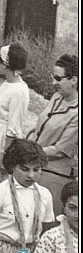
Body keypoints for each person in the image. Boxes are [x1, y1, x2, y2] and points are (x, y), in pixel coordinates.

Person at [29, 54, 78, 213]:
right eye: (53, 77)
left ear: (74, 80)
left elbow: (60, 151)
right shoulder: (57, 97)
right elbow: (41, 129)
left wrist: (28, 152)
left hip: (54, 178)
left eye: (58, 78)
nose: (53, 82)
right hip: (35, 167)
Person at [0, 43, 31, 182]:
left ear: (5, 64)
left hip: (1, 140)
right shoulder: (7, 83)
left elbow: (14, 127)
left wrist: (6, 153)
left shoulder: (19, 91)